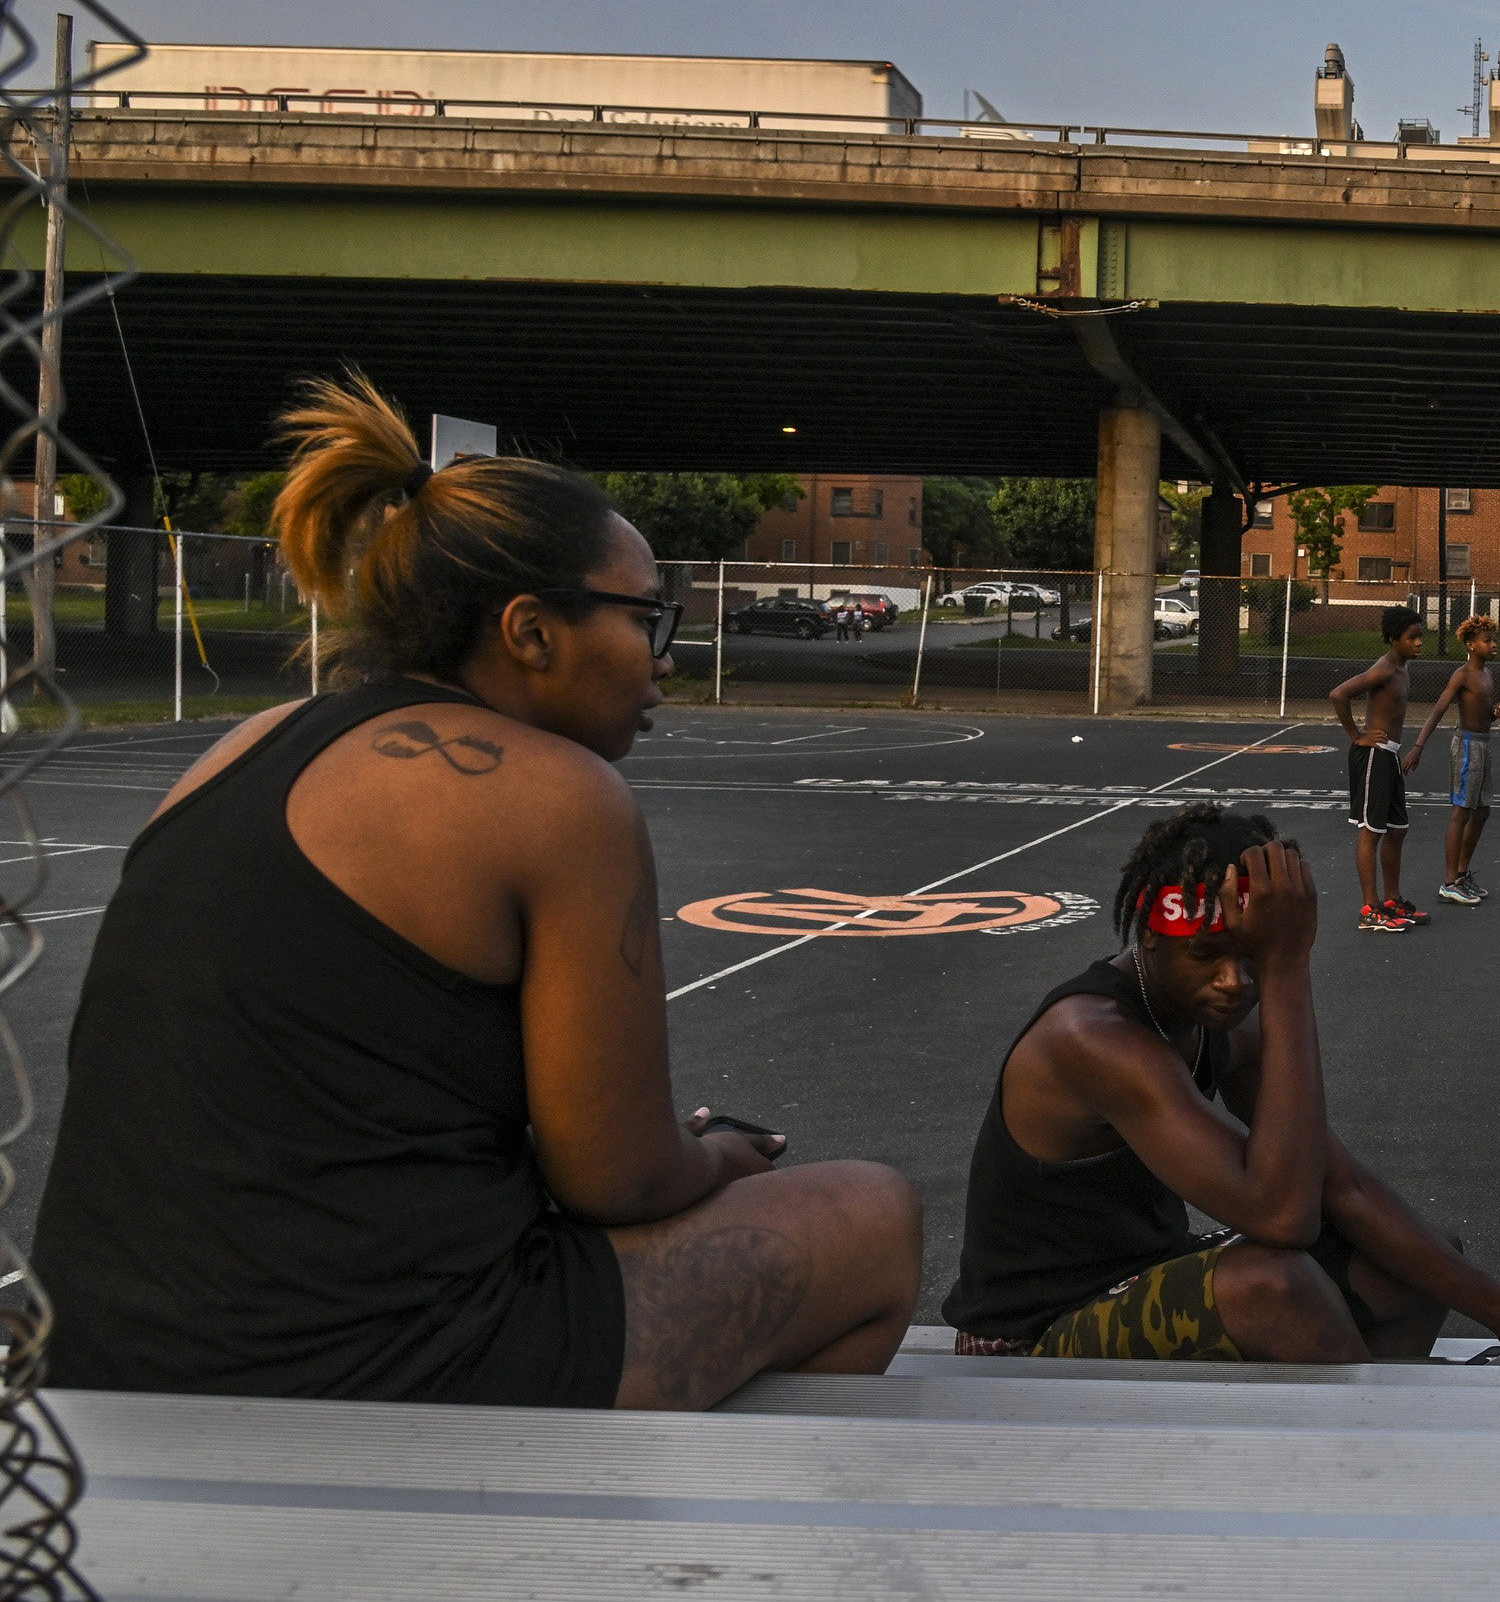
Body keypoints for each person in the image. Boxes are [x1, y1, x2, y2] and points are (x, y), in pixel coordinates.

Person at [31, 375, 921, 1410]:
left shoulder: (243, 745)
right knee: (874, 1218)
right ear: (532, 631)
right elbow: (617, 1180)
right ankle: (637, 1546)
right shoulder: (557, 798)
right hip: (367, 1360)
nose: (665, 659)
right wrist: (718, 1157)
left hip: (105, 1348)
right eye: (646, 618)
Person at [945, 804, 1500, 1364]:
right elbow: (1282, 1215)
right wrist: (1286, 966)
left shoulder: (1211, 1016)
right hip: (1024, 1337)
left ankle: (1332, 1428)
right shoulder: (1092, 1036)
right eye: (1206, 953)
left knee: (1415, 1267)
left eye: (1249, 956)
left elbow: (1341, 1186)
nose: (1234, 982)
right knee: (1275, 1285)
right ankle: (1363, 1455)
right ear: (1150, 934)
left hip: (1129, 1278)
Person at [1330, 605, 1429, 932]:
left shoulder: (1403, 669)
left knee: (1397, 829)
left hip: (1390, 756)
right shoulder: (1384, 669)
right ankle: (1369, 909)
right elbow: (1339, 694)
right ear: (1392, 640)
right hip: (1373, 755)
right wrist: (1356, 735)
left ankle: (1391, 900)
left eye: (1420, 637)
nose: (1418, 643)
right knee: (1371, 831)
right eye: (1411, 638)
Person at [1403, 613, 1500, 908]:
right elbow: (1437, 711)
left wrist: (1494, 714)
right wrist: (1418, 746)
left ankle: (1461, 874)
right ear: (1471, 645)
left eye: (1494, 639)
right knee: (1461, 811)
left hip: (1484, 745)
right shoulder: (1462, 675)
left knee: (1482, 811)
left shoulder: (1487, 675)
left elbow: (1482, 715)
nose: (1493, 645)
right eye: (1487, 641)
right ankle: (1449, 883)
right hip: (1467, 747)